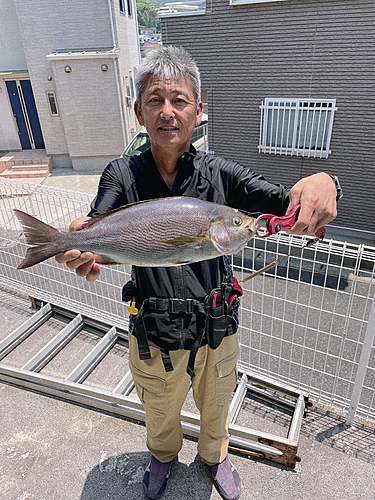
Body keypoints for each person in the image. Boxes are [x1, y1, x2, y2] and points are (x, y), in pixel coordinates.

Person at [56, 46, 339, 500]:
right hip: (153, 329)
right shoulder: (122, 174)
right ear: (139, 112)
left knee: (216, 406)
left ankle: (215, 457)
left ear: (199, 110)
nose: (168, 111)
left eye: (180, 100)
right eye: (155, 99)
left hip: (217, 324)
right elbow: (97, 224)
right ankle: (162, 457)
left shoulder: (220, 175)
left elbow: (282, 199)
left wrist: (327, 182)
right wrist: (82, 246)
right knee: (160, 411)